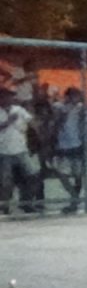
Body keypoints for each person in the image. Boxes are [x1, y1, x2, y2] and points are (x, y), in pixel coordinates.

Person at [52, 87, 87, 213]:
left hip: (77, 143)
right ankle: (74, 196)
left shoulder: (81, 108)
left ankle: (74, 202)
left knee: (77, 175)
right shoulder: (59, 107)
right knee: (61, 173)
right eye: (74, 95)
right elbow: (56, 123)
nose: (76, 98)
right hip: (63, 144)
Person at [0, 86, 33, 215]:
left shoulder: (18, 110)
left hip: (21, 149)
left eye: (9, 96)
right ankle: (5, 205)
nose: (7, 98)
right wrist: (8, 121)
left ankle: (26, 203)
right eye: (4, 96)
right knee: (6, 181)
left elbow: (30, 120)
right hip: (4, 151)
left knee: (30, 176)